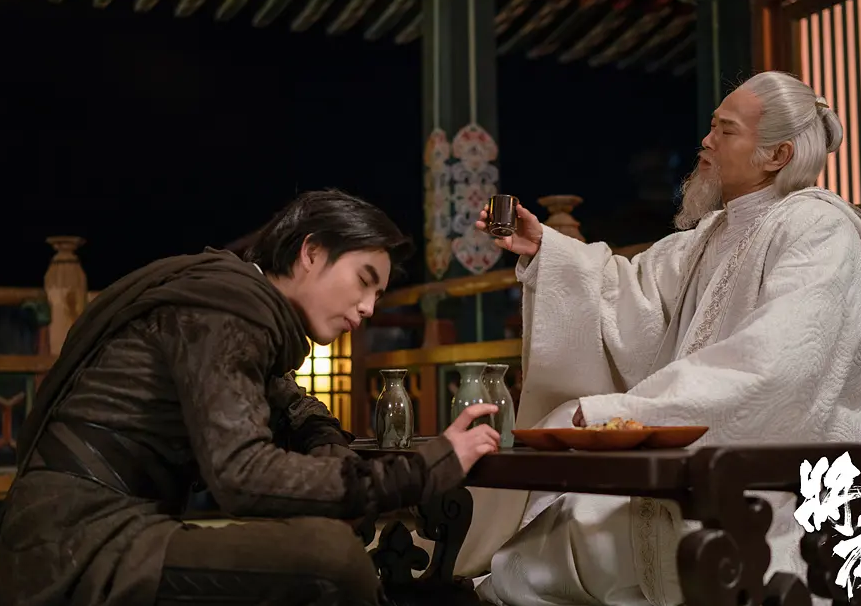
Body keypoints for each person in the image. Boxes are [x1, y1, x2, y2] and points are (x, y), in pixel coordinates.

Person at [463, 71, 861, 606]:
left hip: (783, 491)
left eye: (725, 131)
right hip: (699, 471)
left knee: (567, 552)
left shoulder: (819, 229)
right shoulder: (713, 234)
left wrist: (626, 412)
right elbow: (628, 292)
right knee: (530, 557)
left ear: (777, 155)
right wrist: (546, 248)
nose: (706, 142)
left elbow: (779, 360)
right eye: (711, 126)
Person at [0, 190, 501, 606]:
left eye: (378, 294)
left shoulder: (239, 302)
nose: (369, 307)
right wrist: (424, 469)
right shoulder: (229, 308)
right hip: (77, 540)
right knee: (332, 560)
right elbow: (242, 473)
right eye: (363, 281)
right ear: (311, 253)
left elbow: (291, 403)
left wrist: (327, 443)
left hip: (98, 527)